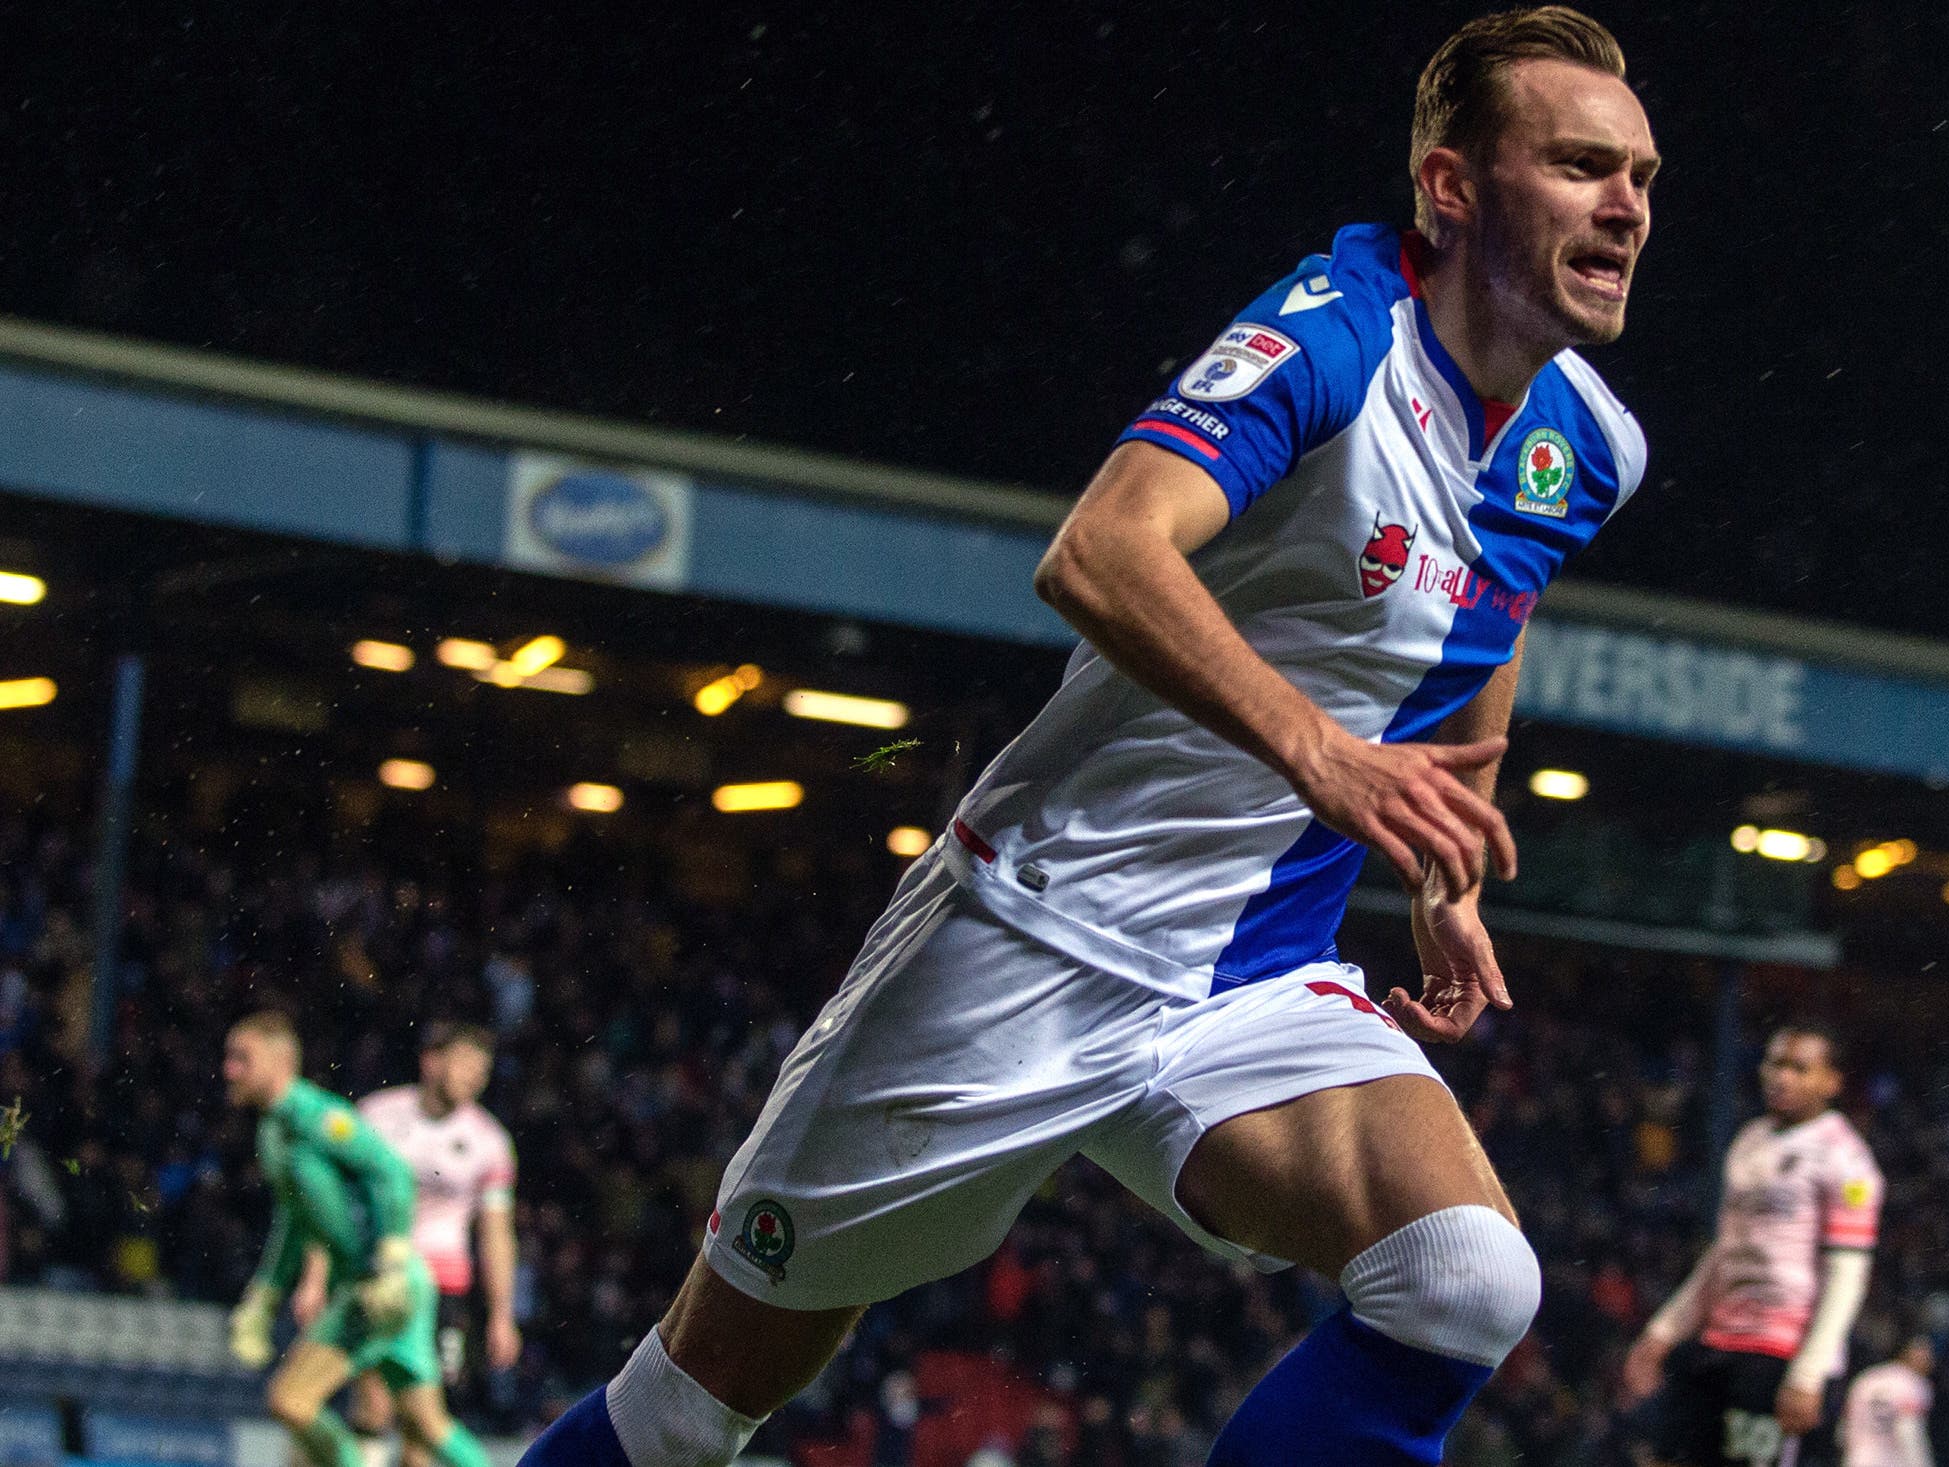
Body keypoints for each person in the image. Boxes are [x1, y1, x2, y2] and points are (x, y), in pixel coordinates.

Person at [520, 7, 1656, 1466]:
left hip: (1251, 977)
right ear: (1451, 187)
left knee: (1465, 1278)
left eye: (1640, 174)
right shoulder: (1325, 342)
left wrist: (1451, 866)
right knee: (691, 1408)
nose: (1626, 204)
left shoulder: (1590, 444)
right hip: (1031, 932)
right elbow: (1102, 551)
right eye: (1579, 164)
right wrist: (1320, 752)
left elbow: (1496, 607)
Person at [221, 1012, 487, 1467]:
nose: (230, 1069)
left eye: (243, 1058)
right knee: (428, 1425)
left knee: (291, 1402)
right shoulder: (272, 1132)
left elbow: (392, 1174)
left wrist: (390, 1255)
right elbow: (296, 1221)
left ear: (283, 1061)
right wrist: (265, 1293)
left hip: (382, 1285)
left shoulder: (318, 1117)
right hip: (395, 1284)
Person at [1624, 1024, 1883, 1467]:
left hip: (1780, 1354)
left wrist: (1809, 1372)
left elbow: (1847, 1274)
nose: (1782, 1076)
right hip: (1720, 1341)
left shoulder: (1847, 1160)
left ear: (1831, 1082)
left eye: (1800, 1068)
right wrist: (1663, 1331)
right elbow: (1723, 1253)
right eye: (1776, 1063)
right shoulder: (1749, 1142)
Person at [296, 1025, 521, 1466]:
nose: (476, 1078)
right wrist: (314, 1278)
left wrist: (501, 1314)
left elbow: (496, 1234)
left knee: (421, 1427)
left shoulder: (490, 1142)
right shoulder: (375, 1116)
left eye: (483, 1071)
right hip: (381, 1279)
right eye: (466, 1064)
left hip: (445, 1293)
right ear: (432, 1061)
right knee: (373, 1403)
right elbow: (331, 1203)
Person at [1840, 1335, 1933, 1467]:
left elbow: (1843, 1428)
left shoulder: (1868, 1377)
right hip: (1890, 1460)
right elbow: (1908, 1432)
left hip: (1856, 1458)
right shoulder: (1915, 1384)